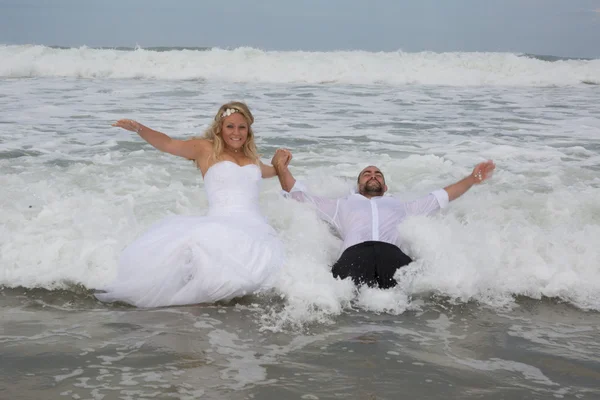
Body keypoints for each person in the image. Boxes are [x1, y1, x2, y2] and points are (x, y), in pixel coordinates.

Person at [95, 102, 287, 307]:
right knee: (222, 272)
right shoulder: (205, 148)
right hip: (222, 221)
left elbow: (271, 172)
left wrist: (279, 163)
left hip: (256, 226)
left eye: (242, 127)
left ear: (248, 130)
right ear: (220, 128)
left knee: (260, 272)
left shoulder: (251, 158)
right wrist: (139, 129)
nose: (236, 132)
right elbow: (168, 143)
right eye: (230, 126)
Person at [271, 149, 495, 289]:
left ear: (385, 186)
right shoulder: (341, 204)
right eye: (367, 174)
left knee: (403, 306)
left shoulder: (402, 206)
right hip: (354, 254)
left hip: (392, 255)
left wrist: (472, 178)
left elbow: (442, 196)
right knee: (347, 305)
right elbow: (298, 194)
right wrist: (281, 167)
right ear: (358, 185)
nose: (373, 176)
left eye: (378, 174)